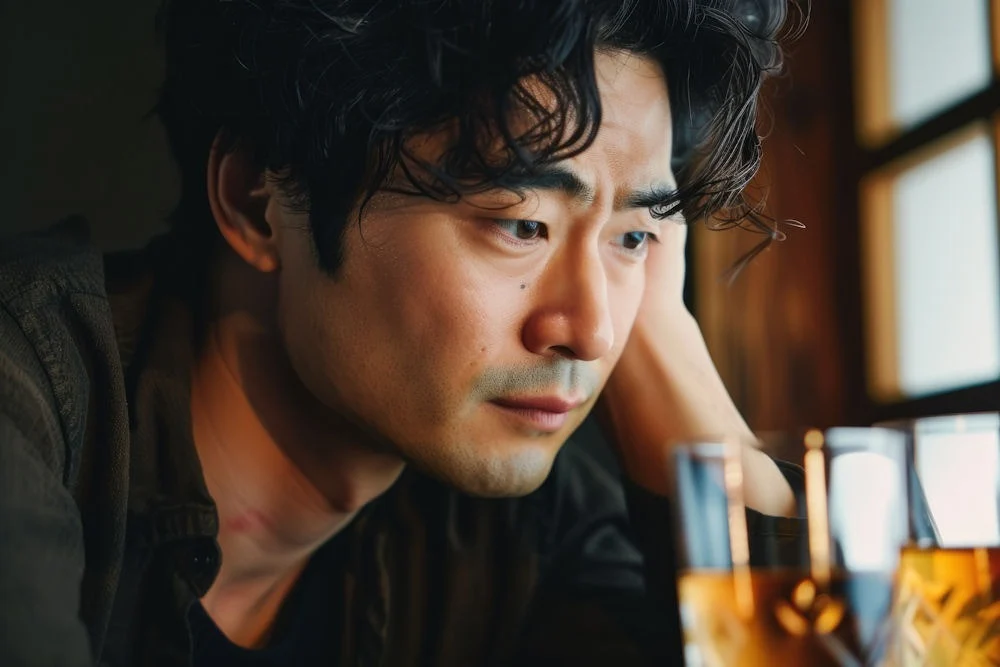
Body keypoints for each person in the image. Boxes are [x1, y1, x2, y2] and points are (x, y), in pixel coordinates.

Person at [0, 1, 807, 665]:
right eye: (521, 223)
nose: (593, 331)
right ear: (259, 199)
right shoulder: (28, 399)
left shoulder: (519, 536)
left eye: (633, 240)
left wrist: (666, 335)